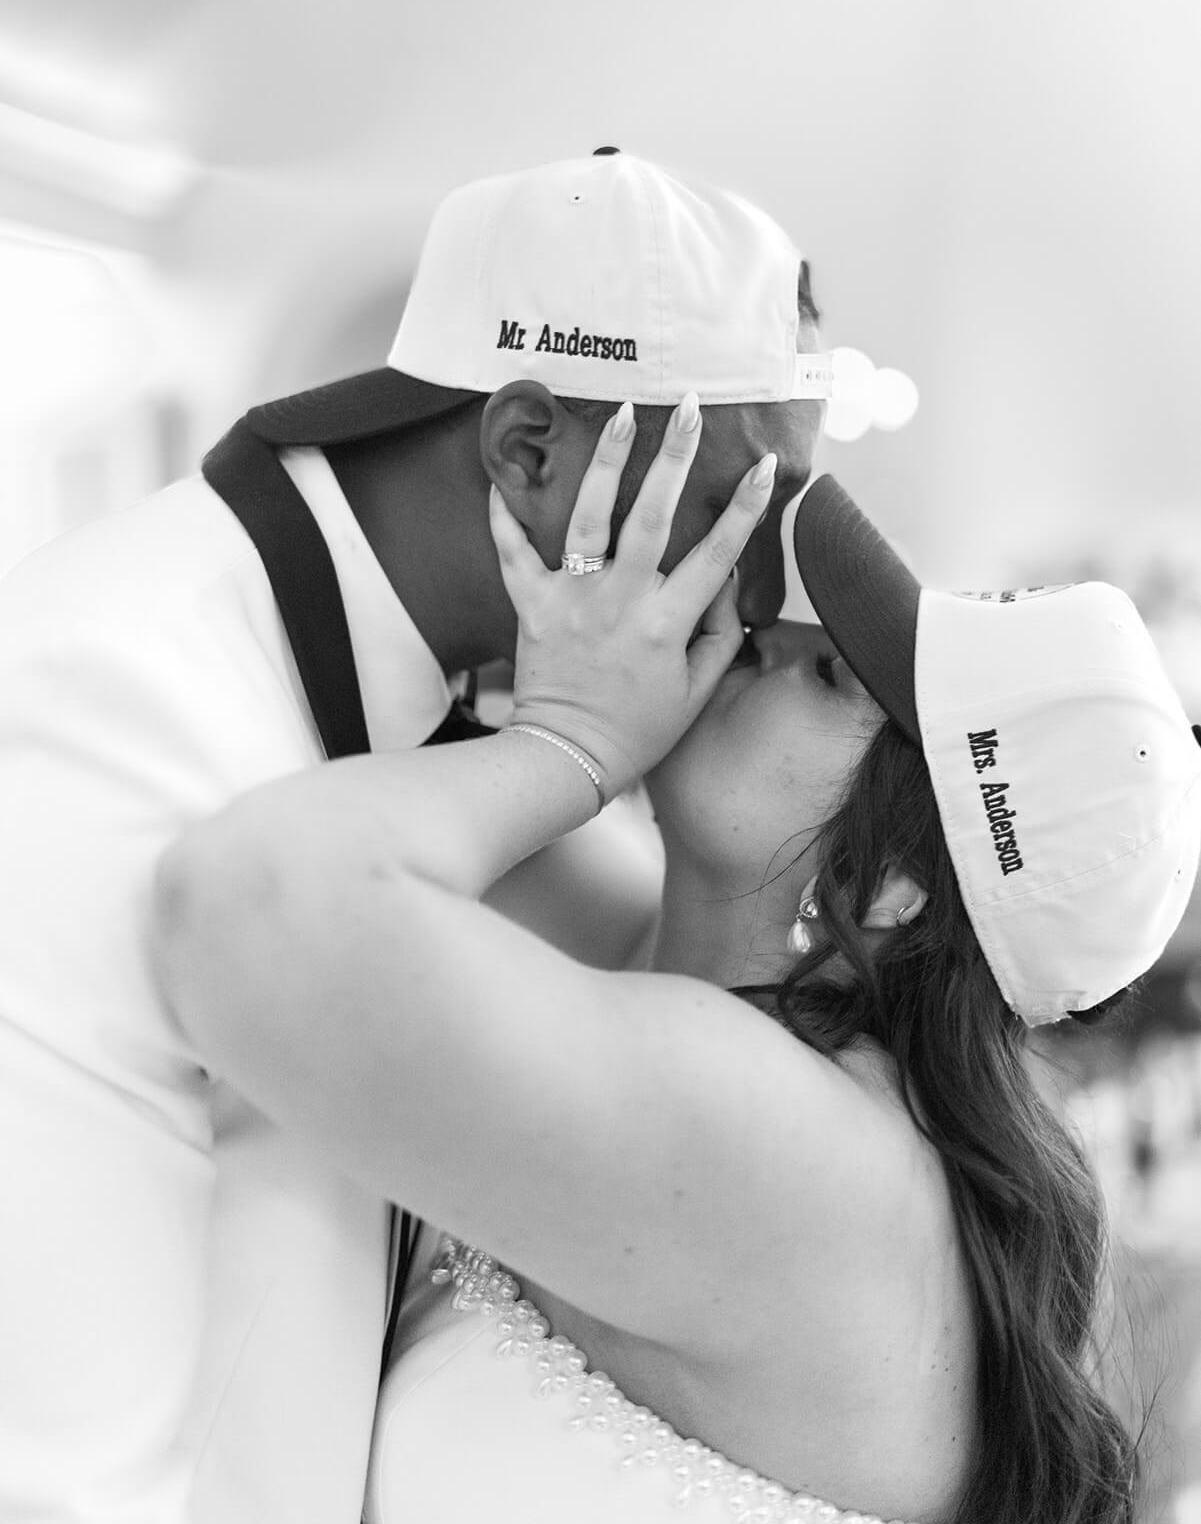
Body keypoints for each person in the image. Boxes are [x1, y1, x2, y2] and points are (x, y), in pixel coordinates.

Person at [151, 421, 1201, 1524]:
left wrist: (569, 744)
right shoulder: (691, 984)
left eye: (834, 671)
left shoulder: (800, 1154)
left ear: (897, 883)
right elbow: (409, 758)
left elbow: (245, 904)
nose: (775, 630)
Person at [0, 151, 832, 1523]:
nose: (748, 594)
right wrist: (566, 753)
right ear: (526, 450)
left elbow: (668, 1050)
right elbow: (55, 1463)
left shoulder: (448, 721)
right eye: (726, 509)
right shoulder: (104, 707)